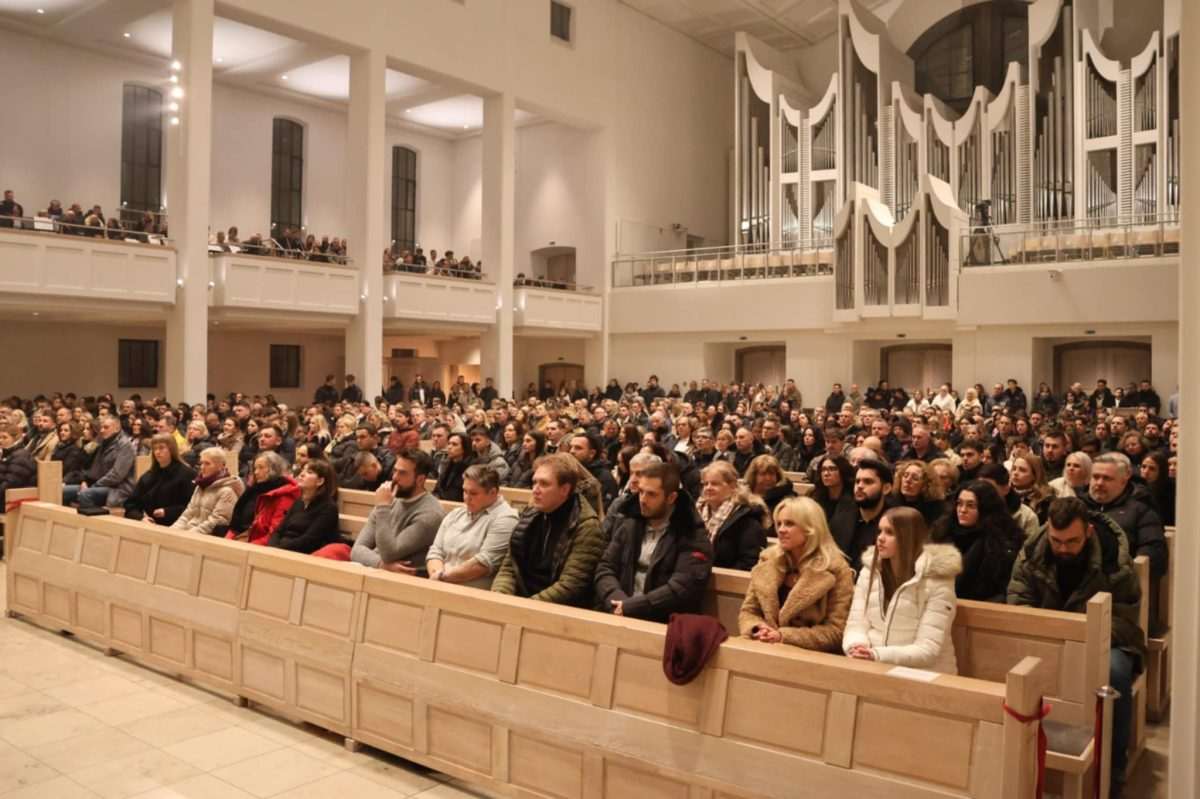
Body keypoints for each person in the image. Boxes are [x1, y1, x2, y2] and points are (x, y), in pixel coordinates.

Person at [1008, 497, 1145, 791]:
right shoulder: (1033, 553)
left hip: (1108, 639)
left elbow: (1125, 615)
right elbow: (1019, 601)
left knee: (1115, 674)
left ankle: (1112, 767)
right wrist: (1053, 635)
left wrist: (1081, 639)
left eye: (1072, 541)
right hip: (1048, 635)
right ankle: (1016, 756)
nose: (1063, 549)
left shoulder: (1113, 559)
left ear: (1089, 532)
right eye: (1056, 541)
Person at [842, 507, 962, 672]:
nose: (880, 539)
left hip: (926, 675)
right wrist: (856, 646)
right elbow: (856, 624)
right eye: (880, 531)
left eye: (890, 533)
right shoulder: (869, 571)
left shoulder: (938, 580)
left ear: (908, 537)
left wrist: (876, 655)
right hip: (875, 667)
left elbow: (928, 650)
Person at [594, 461, 713, 622]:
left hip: (663, 622)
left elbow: (681, 588)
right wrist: (617, 601)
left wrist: (631, 607)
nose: (642, 499)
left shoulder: (691, 532)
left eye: (651, 494)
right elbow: (605, 567)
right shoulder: (630, 523)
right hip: (619, 612)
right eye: (641, 492)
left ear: (671, 497)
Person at [738, 496, 854, 651]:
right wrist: (758, 629)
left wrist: (783, 636)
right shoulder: (768, 559)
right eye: (779, 523)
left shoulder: (836, 569)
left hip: (810, 657)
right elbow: (749, 611)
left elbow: (836, 631)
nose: (781, 530)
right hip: (763, 646)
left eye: (789, 524)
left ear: (811, 528)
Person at [492, 453, 606, 606]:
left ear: (564, 489)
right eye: (534, 483)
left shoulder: (587, 526)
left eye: (544, 484)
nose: (535, 490)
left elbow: (570, 586)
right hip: (522, 602)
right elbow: (510, 566)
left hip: (557, 612)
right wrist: (500, 597)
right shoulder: (531, 514)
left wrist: (523, 607)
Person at [425, 465, 518, 589]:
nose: (466, 498)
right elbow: (435, 552)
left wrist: (441, 577)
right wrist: (436, 576)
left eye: (473, 493)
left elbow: (483, 564)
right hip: (439, 584)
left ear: (493, 493)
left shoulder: (506, 519)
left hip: (472, 595)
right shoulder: (456, 514)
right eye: (465, 491)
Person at [352, 449, 445, 572]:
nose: (395, 477)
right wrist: (380, 564)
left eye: (402, 473)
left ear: (420, 480)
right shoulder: (389, 498)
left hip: (405, 581)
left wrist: (383, 507)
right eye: (395, 471)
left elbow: (389, 554)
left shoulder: (430, 514)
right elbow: (356, 550)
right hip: (378, 570)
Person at [932, 480, 1024, 602]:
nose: (962, 510)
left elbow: (1002, 590)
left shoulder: (1001, 542)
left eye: (970, 505)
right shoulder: (943, 532)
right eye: (959, 504)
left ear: (985, 509)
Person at [1082, 452, 1168, 579]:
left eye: (1107, 478)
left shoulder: (1141, 510)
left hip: (1118, 583)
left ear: (1123, 481)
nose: (1099, 483)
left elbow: (1154, 555)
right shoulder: (1077, 505)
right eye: (1095, 477)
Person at [696, 460, 768, 570]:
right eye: (705, 484)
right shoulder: (697, 511)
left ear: (732, 486)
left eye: (715, 484)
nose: (708, 488)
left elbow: (749, 562)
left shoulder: (747, 518)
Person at [829, 459, 896, 572]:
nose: (860, 486)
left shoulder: (894, 521)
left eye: (868, 482)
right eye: (857, 481)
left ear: (886, 488)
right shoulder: (843, 514)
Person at [223, 451, 299, 544]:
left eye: (261, 468)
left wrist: (248, 546)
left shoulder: (284, 495)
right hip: (241, 538)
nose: (256, 472)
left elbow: (273, 533)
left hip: (256, 545)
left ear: (274, 469)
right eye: (255, 468)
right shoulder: (254, 490)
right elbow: (236, 524)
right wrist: (227, 539)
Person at [267, 460, 340, 553]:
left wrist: (279, 549)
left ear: (320, 481)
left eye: (309, 472)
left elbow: (309, 541)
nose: (302, 474)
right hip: (283, 549)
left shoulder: (329, 508)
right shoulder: (298, 502)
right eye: (303, 470)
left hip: (304, 556)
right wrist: (271, 547)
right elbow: (278, 530)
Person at [62, 416, 135, 509]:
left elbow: (116, 475)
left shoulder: (125, 445)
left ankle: (91, 523)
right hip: (99, 484)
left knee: (85, 495)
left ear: (117, 429)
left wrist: (94, 485)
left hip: (118, 489)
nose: (102, 430)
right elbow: (93, 469)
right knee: (62, 491)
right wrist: (85, 482)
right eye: (101, 427)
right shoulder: (103, 442)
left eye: (106, 427)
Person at [122, 434, 195, 526]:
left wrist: (167, 512)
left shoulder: (187, 474)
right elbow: (131, 505)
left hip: (177, 525)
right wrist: (141, 518)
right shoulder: (148, 476)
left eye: (161, 448)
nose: (157, 452)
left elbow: (193, 508)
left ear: (171, 449)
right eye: (155, 448)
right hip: (150, 525)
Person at [170, 448, 245, 535]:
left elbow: (218, 520)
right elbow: (187, 514)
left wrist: (188, 535)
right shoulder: (200, 486)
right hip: (189, 533)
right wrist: (172, 531)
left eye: (207, 464)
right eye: (201, 463)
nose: (202, 467)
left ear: (221, 466)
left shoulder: (227, 491)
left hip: (205, 538)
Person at [568, 431, 618, 511]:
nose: (571, 451)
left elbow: (601, 510)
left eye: (578, 448)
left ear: (592, 453)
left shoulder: (605, 478)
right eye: (571, 447)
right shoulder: (569, 471)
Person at [893, 460, 948, 526]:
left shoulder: (936, 510)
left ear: (926, 484)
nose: (908, 480)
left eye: (915, 478)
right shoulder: (892, 503)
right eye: (905, 475)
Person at [744, 454, 796, 519]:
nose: (768, 478)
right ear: (754, 476)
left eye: (772, 474)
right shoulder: (743, 497)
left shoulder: (786, 498)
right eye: (763, 474)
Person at [1009, 452, 1054, 525]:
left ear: (1035, 476)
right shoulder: (1004, 493)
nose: (1015, 473)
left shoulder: (1046, 501)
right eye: (1014, 469)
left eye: (1022, 470)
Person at [810, 454, 855, 525]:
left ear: (842, 471)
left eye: (832, 469)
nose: (826, 474)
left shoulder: (853, 499)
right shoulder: (814, 495)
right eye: (823, 469)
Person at [0, 424, 37, 498]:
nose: (0, 440)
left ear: (16, 439)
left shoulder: (21, 456)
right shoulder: (7, 453)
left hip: (15, 498)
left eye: (4, 437)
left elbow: (10, 484)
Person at [434, 432, 471, 502]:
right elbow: (437, 490)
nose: (449, 447)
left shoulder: (470, 468)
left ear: (464, 448)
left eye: (454, 444)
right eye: (449, 444)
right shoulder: (445, 464)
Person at [50, 421, 89, 485]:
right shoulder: (59, 446)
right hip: (56, 476)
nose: (62, 432)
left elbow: (67, 469)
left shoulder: (75, 450)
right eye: (61, 430)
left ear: (72, 433)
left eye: (66, 430)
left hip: (67, 481)